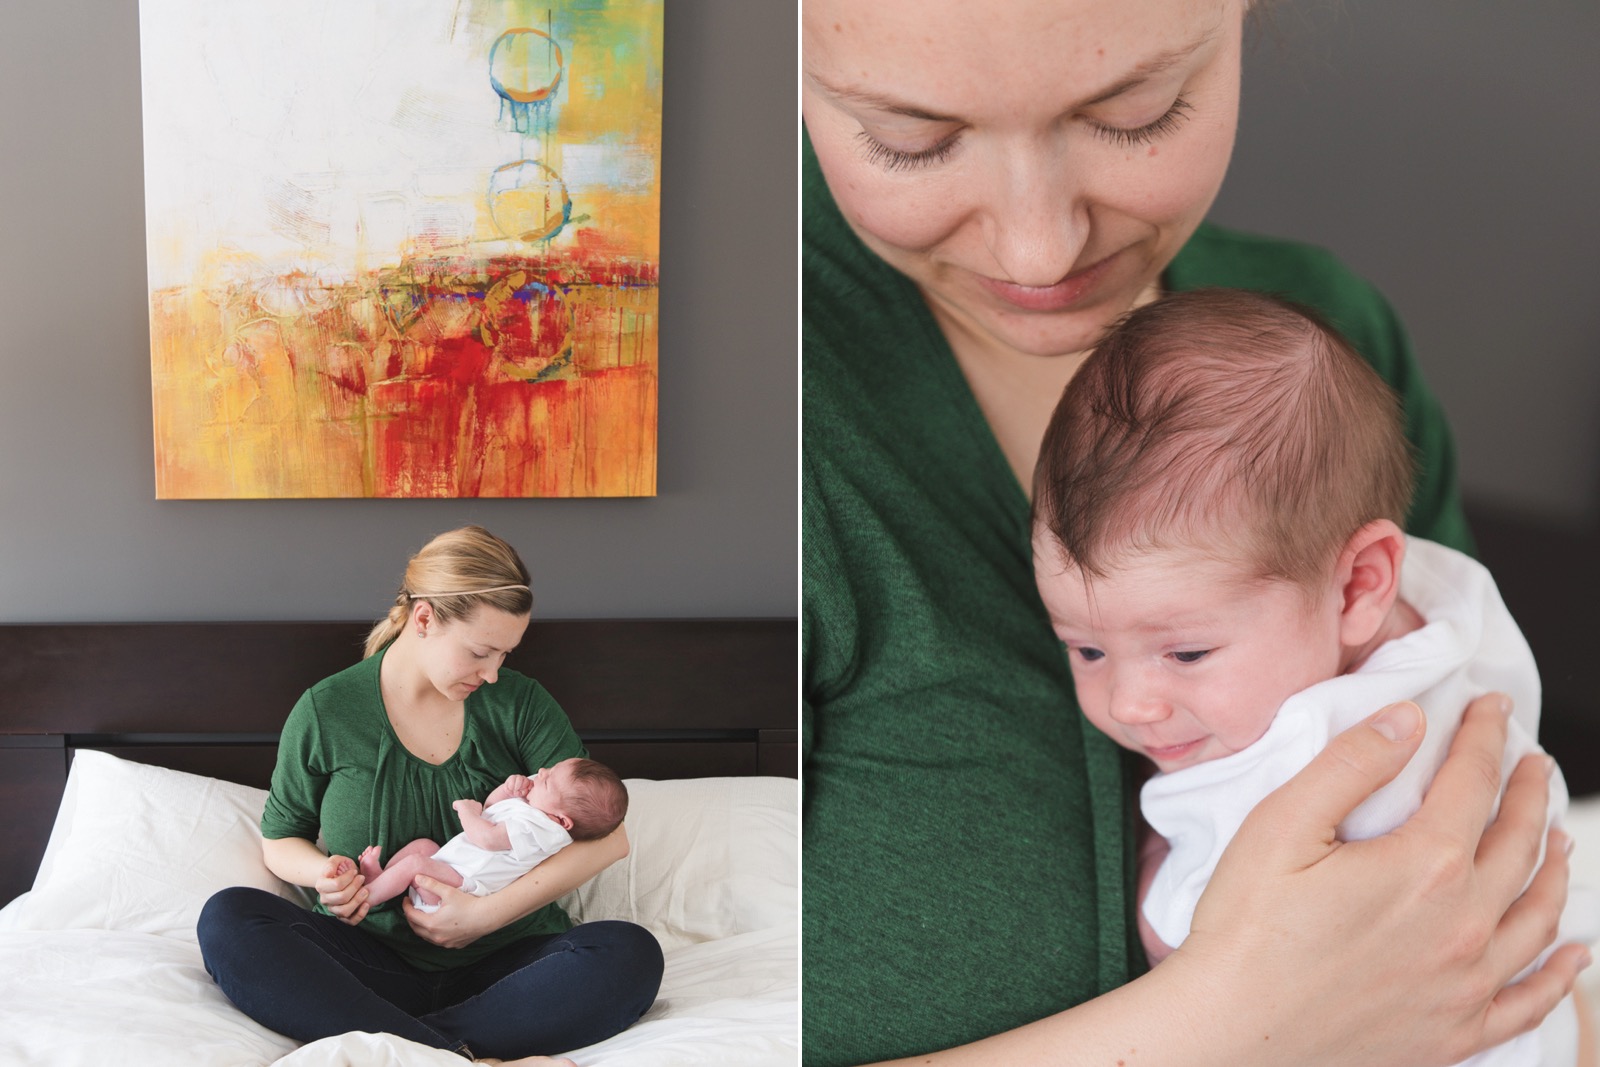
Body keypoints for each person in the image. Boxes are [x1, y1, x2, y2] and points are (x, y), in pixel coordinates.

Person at [801, 1, 1588, 1064]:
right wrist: (1232, 1020)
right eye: (911, 140)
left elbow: (1500, 925)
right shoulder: (778, 422)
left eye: (1136, 112)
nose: (1040, 245)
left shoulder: (1329, 347)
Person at [1030, 287, 1593, 1064]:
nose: (1129, 702)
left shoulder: (1288, 756)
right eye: (1085, 648)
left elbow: (1191, 941)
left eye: (1186, 652)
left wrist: (1152, 861)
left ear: (1361, 583)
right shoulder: (1449, 606)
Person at [197, 526, 663, 1067]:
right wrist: (326, 876)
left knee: (629, 954)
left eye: (505, 656)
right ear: (424, 619)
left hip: (511, 970)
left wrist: (482, 917)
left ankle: (408, 1049)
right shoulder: (328, 711)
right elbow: (282, 839)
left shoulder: (521, 705)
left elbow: (607, 840)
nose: (492, 675)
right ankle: (464, 1057)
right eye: (481, 653)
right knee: (231, 918)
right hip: (368, 967)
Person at [358, 759, 628, 912]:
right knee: (423, 847)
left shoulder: (544, 832)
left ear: (562, 821)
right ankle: (380, 879)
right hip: (448, 869)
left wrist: (467, 812)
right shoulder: (537, 808)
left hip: (459, 889)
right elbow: (492, 809)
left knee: (416, 864)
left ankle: (364, 899)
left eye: (547, 780)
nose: (542, 772)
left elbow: (486, 838)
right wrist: (508, 791)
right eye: (550, 769)